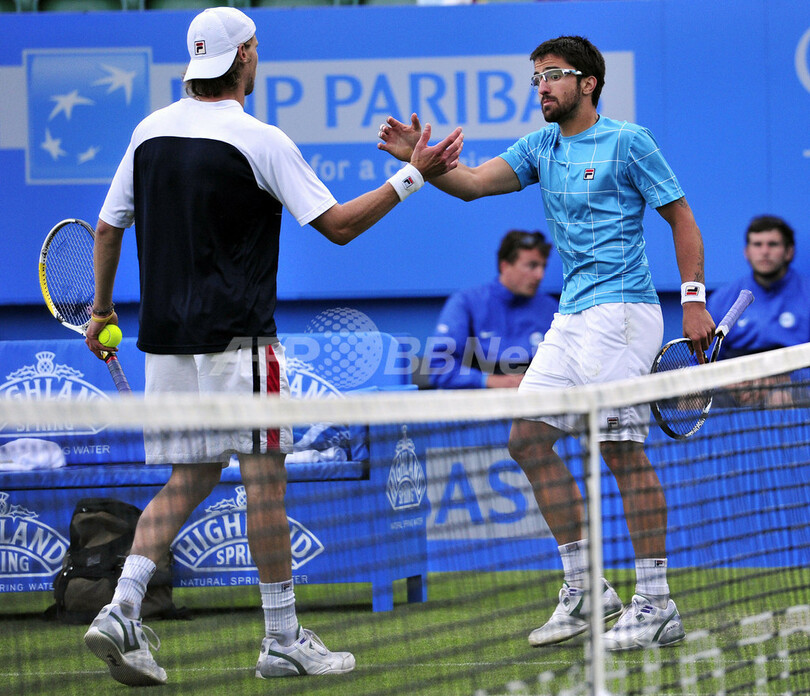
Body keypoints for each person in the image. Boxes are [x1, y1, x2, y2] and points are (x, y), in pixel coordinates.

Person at [82, 7, 462, 687]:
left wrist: (102, 308)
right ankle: (282, 639)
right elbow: (339, 227)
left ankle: (121, 605)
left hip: (164, 342)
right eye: (255, 48)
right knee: (265, 476)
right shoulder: (260, 139)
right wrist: (414, 176)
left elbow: (108, 229)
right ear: (245, 57)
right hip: (238, 340)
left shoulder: (147, 133)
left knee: (191, 475)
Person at [379, 35, 715, 651]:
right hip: (573, 314)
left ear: (588, 82)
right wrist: (420, 164)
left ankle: (657, 602)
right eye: (536, 78)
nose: (542, 88)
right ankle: (588, 589)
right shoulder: (541, 147)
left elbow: (682, 217)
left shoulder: (628, 141)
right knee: (526, 439)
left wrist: (692, 297)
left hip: (622, 311)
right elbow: (475, 182)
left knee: (619, 449)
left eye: (554, 76)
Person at [428, 229, 557, 389]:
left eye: (543, 266)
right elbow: (439, 368)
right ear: (505, 266)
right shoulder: (467, 303)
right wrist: (491, 381)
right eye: (532, 266)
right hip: (480, 409)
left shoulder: (552, 309)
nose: (540, 275)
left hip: (537, 408)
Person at [707, 215, 810, 406]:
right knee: (694, 400)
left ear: (789, 252)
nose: (764, 252)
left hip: (794, 382)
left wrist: (786, 380)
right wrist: (728, 382)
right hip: (735, 383)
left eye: (772, 244)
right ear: (747, 251)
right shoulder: (722, 299)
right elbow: (706, 362)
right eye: (757, 244)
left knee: (779, 400)